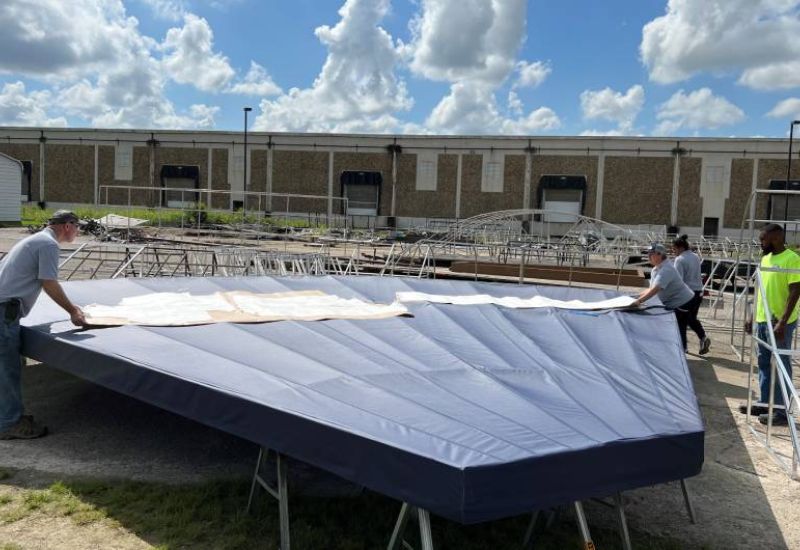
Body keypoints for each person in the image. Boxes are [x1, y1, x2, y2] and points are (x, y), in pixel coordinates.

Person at [0, 210, 86, 440]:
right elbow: (48, 282)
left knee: (11, 365)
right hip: (3, 311)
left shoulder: (34, 239)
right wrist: (73, 310)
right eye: (77, 227)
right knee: (6, 370)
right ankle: (8, 424)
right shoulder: (48, 244)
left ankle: (9, 416)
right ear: (67, 226)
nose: (78, 231)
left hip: (5, 309)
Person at [743, 223, 800, 426]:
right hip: (762, 319)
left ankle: (782, 412)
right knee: (764, 363)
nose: (761, 243)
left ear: (775, 238)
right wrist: (751, 317)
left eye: (763, 240)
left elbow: (795, 291)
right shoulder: (765, 258)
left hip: (780, 322)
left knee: (781, 365)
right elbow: (760, 288)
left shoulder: (792, 259)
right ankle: (766, 403)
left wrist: (783, 322)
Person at [633, 243, 696, 352]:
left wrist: (638, 301)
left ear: (659, 255)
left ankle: (681, 351)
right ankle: (681, 349)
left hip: (683, 301)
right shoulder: (655, 269)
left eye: (651, 254)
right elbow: (650, 288)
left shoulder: (666, 269)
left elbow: (655, 289)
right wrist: (635, 297)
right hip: (673, 301)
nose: (648, 257)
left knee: (677, 327)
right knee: (678, 327)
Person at [672, 235, 711, 355]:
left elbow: (678, 281)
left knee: (680, 321)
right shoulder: (695, 256)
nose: (673, 252)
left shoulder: (680, 260)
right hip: (698, 293)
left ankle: (682, 348)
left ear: (680, 248)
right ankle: (703, 337)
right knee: (691, 318)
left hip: (686, 294)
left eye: (674, 249)